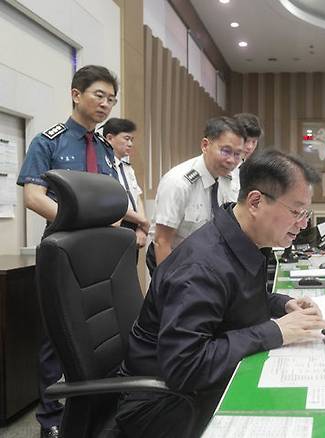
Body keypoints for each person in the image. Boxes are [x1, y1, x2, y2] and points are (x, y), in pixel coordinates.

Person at [116, 149, 325, 437]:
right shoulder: (201, 267)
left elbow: (233, 299)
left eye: (305, 213)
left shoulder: (240, 240)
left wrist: (284, 305)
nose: (304, 224)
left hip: (196, 388)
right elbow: (185, 367)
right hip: (164, 404)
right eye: (296, 212)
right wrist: (276, 332)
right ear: (256, 201)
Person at [16, 65, 120, 438]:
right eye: (99, 95)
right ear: (76, 94)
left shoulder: (106, 146)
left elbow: (112, 200)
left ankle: (100, 406)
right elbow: (33, 196)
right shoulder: (50, 140)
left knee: (100, 332)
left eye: (111, 98)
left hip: (100, 254)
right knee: (54, 337)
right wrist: (78, 222)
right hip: (61, 249)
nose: (106, 104)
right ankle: (51, 420)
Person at [145, 116, 245, 274]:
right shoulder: (178, 183)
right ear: (205, 145)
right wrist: (167, 285)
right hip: (176, 260)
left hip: (210, 261)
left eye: (238, 154)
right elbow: (161, 241)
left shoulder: (233, 180)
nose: (231, 160)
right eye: (225, 151)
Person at [102, 118, 149, 256]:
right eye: (126, 139)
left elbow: (137, 197)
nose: (130, 144)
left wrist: (141, 228)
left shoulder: (127, 167)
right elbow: (114, 203)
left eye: (132, 140)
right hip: (117, 225)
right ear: (110, 138)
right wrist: (143, 221)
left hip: (133, 225)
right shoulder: (104, 166)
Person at [228, 113, 262, 201]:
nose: (250, 147)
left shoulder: (249, 168)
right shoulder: (221, 165)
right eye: (246, 141)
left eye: (254, 142)